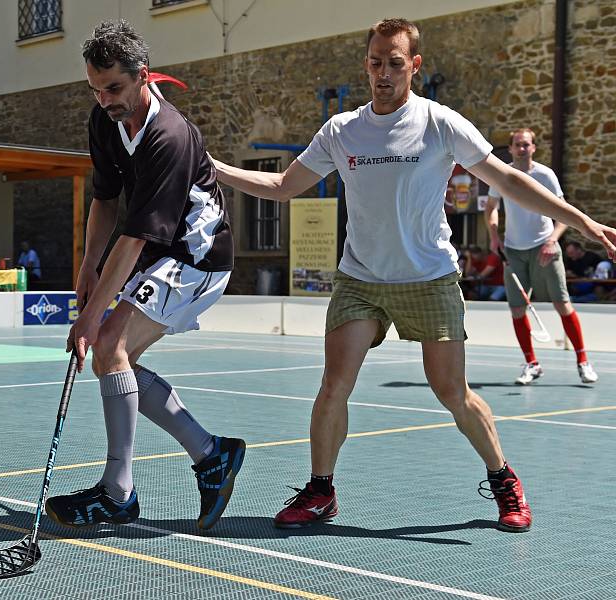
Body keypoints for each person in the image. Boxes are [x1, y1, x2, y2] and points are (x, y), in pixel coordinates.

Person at [211, 18, 616, 532]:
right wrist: (213, 167)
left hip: (428, 278)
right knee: (334, 385)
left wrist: (580, 221)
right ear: (367, 64)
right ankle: (320, 491)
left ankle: (503, 479)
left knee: (451, 392)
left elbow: (508, 179)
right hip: (360, 280)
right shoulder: (341, 130)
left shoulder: (440, 123)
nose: (383, 72)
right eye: (376, 62)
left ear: (414, 66)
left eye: (395, 63)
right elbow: (281, 185)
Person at [45, 20, 244, 532]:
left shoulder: (169, 136)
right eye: (95, 88)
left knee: (108, 344)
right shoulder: (104, 119)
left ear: (142, 76)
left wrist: (89, 318)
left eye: (113, 88)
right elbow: (106, 200)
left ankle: (118, 493)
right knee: (117, 357)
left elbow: (133, 238)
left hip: (199, 259)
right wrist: (87, 266)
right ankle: (211, 454)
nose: (104, 98)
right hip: (162, 254)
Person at [486, 128, 598, 384]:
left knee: (562, 304)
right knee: (516, 310)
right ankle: (531, 364)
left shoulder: (545, 175)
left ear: (534, 148)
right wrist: (493, 234)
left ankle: (583, 361)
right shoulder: (502, 175)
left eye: (526, 144)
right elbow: (491, 208)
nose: (522, 148)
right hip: (513, 251)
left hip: (545, 248)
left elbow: (564, 213)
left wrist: (551, 240)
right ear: (511, 149)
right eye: (517, 144)